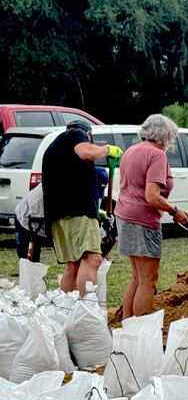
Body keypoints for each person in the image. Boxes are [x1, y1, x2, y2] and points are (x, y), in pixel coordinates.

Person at [114, 114, 188, 319]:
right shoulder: (157, 155)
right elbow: (151, 197)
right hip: (142, 221)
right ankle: (143, 331)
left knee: (138, 278)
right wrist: (175, 211)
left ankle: (129, 327)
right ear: (166, 136)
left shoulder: (132, 150)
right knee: (148, 279)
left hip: (124, 215)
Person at [41, 121, 122, 293]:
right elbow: (86, 153)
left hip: (59, 214)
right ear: (89, 134)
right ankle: (87, 310)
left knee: (73, 264)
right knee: (92, 258)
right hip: (78, 212)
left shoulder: (53, 147)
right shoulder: (75, 135)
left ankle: (68, 309)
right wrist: (107, 149)